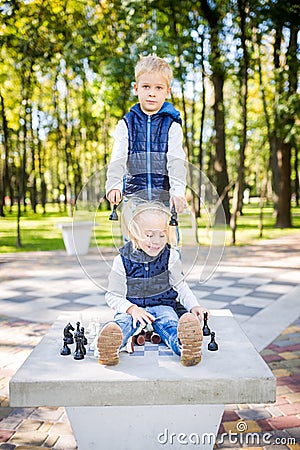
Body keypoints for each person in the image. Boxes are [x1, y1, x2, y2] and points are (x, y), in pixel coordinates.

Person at [97, 200, 209, 367]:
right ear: (133, 233)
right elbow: (113, 296)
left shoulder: (170, 256)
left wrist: (194, 306)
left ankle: (185, 347)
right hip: (132, 309)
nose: (157, 241)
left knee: (170, 323)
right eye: (149, 235)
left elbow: (181, 286)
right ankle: (110, 348)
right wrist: (132, 309)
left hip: (162, 306)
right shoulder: (121, 260)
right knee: (123, 324)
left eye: (162, 235)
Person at [105, 54, 187, 213]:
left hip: (163, 200)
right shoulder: (126, 124)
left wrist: (177, 192)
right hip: (134, 199)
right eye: (146, 87)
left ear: (167, 91)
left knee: (165, 237)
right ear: (136, 88)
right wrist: (114, 185)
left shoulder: (172, 125)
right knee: (133, 237)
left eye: (159, 88)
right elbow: (118, 158)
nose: (152, 93)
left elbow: (176, 162)